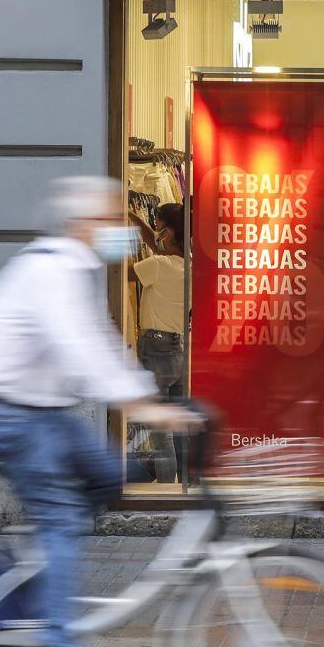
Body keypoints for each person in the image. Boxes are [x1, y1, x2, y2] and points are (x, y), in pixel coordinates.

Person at [0, 176, 198, 647]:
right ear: (83, 224)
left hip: (41, 413)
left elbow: (101, 346)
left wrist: (143, 397)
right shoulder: (52, 271)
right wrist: (145, 406)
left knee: (111, 473)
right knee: (62, 517)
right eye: (110, 219)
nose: (121, 229)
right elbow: (80, 350)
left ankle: (41, 562)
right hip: (3, 414)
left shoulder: (73, 271)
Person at [129, 204, 186, 482]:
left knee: (161, 434)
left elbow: (123, 274)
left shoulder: (158, 265)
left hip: (155, 351)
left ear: (169, 231)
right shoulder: (187, 265)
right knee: (178, 431)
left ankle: (166, 495)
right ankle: (185, 489)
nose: (156, 233)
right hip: (178, 352)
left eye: (159, 226)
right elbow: (157, 246)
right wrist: (136, 219)